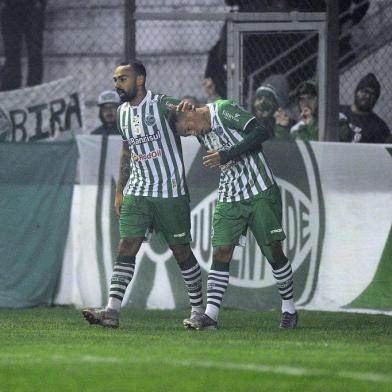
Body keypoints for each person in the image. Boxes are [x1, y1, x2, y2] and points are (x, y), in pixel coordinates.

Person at [81, 60, 204, 328]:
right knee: (127, 245)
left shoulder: (160, 103)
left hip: (170, 190)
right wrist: (119, 191)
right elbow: (126, 152)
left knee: (181, 251)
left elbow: (181, 107)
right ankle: (111, 311)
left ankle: (198, 310)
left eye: (122, 79)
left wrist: (185, 105)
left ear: (139, 79)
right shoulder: (123, 113)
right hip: (138, 190)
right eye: (115, 80)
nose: (117, 85)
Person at [170, 99, 298, 330]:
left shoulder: (224, 110)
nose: (192, 133)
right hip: (229, 194)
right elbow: (165, 104)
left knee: (274, 252)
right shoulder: (196, 125)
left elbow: (261, 131)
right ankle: (211, 316)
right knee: (220, 251)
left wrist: (228, 154)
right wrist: (176, 101)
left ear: (191, 110)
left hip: (260, 190)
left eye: (189, 128)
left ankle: (289, 308)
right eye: (187, 133)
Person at [0, 0, 47, 91]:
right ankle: (12, 90)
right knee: (11, 53)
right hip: (9, 7)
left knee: (35, 52)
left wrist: (41, 3)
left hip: (32, 6)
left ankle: (34, 90)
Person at [339, 73, 391, 143]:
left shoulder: (379, 126)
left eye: (373, 94)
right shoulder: (338, 111)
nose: (368, 96)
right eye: (365, 91)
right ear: (356, 92)